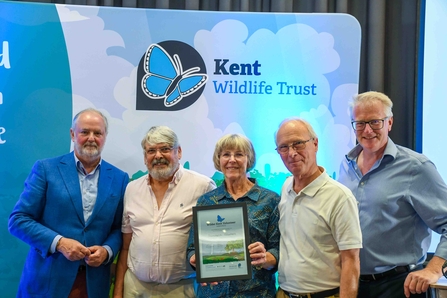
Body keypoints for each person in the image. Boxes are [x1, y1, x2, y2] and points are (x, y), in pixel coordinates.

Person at [9, 108, 129, 298]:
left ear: (105, 136)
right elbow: (18, 220)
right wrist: (59, 243)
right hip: (47, 282)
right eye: (85, 132)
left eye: (97, 133)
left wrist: (107, 251)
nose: (91, 138)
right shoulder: (46, 169)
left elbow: (117, 228)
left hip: (93, 285)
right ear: (73, 134)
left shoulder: (119, 178)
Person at [338, 91, 447, 298]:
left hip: (399, 286)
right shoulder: (346, 164)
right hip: (352, 284)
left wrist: (434, 270)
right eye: (360, 123)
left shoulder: (416, 167)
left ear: (390, 123)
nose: (367, 130)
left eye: (375, 122)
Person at [113, 126, 216, 298]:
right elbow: (125, 247)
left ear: (179, 152)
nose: (158, 156)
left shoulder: (203, 186)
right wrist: (118, 293)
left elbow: (215, 240)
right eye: (151, 150)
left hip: (181, 289)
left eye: (165, 149)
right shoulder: (132, 189)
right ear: (145, 157)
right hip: (135, 288)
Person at [275, 118, 362, 298]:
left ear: (315, 144)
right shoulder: (286, 188)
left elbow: (351, 261)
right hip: (284, 293)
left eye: (298, 143)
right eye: (283, 147)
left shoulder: (339, 197)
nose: (291, 153)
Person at [187, 133, 280, 298]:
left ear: (248, 159)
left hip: (256, 293)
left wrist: (266, 258)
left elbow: (279, 250)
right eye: (226, 154)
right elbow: (192, 248)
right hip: (212, 293)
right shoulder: (206, 201)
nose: (232, 160)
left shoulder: (270, 200)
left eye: (239, 154)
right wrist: (195, 259)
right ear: (219, 160)